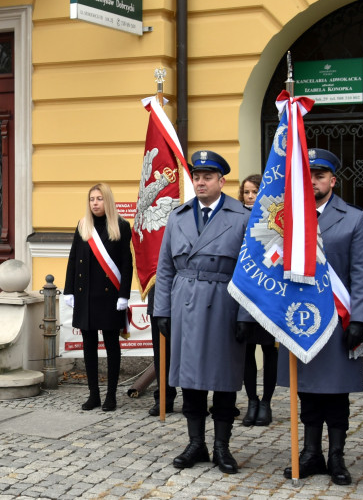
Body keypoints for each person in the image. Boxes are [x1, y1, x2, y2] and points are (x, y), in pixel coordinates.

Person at [276, 149, 363, 484]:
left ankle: (336, 456)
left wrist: (360, 319)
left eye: (320, 176)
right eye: (308, 175)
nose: (314, 181)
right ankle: (310, 452)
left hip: (337, 320)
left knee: (336, 391)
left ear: (333, 180)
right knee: (306, 390)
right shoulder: (285, 217)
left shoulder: (352, 217)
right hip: (299, 318)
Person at [153, 150, 250, 474]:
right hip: (186, 304)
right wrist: (162, 310)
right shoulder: (178, 216)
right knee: (190, 379)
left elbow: (250, 271)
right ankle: (196, 444)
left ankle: (222, 447)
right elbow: (165, 268)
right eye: (196, 176)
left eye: (207, 177)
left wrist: (245, 316)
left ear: (221, 181)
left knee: (223, 379)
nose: (200, 182)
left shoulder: (241, 216)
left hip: (225, 302)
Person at [63, 183, 132, 412]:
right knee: (88, 346)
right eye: (92, 199)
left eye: (99, 198)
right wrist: (69, 290)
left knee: (112, 346)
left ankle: (111, 395)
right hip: (85, 297)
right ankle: (94, 394)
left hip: (109, 297)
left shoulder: (121, 226)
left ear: (108, 201)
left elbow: (126, 264)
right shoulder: (83, 225)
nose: (95, 203)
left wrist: (124, 295)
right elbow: (73, 259)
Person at [237, 173, 276, 427]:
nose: (250, 197)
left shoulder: (273, 217)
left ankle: (266, 403)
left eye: (255, 192)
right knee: (246, 352)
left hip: (268, 295)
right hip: (244, 294)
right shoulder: (235, 217)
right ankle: (251, 400)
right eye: (247, 192)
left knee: (270, 352)